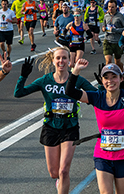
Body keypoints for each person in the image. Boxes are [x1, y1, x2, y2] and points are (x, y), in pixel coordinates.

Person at [66, 60, 124, 194]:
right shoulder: (97, 97)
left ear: (121, 78)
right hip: (103, 154)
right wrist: (76, 71)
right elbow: (70, 91)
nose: (110, 81)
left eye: (114, 77)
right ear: (102, 81)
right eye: (106, 78)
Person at [14, 47, 97, 194]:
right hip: (51, 126)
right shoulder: (45, 80)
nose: (61, 61)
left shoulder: (77, 80)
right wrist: (23, 76)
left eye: (64, 58)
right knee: (54, 173)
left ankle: (63, 183)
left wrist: (102, 83)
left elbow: (98, 96)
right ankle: (59, 180)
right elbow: (19, 93)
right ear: (53, 60)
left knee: (64, 170)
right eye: (58, 58)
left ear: (69, 60)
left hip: (70, 127)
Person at [103, 0, 124, 69]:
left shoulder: (120, 16)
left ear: (116, 7)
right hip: (108, 40)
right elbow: (104, 25)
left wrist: (115, 30)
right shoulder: (106, 16)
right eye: (109, 7)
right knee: (108, 61)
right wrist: (104, 28)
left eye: (112, 7)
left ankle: (122, 73)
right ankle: (108, 76)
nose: (110, 9)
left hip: (117, 42)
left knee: (117, 62)